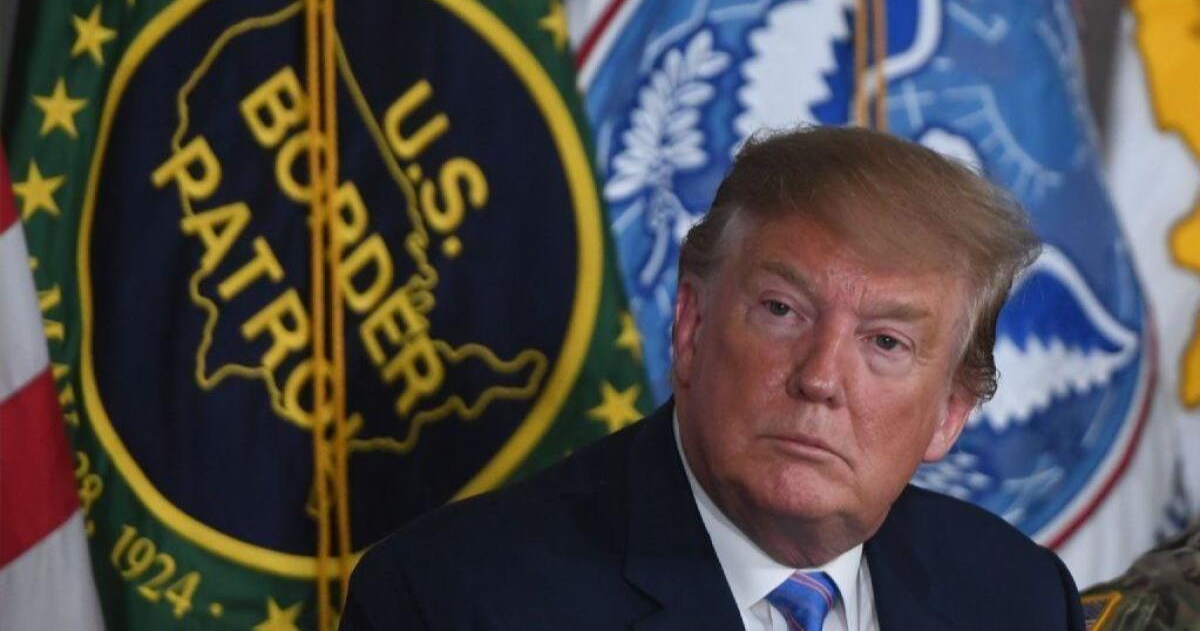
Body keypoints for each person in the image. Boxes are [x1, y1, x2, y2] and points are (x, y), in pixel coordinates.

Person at [340, 126, 1085, 630]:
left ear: (950, 412)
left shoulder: (1018, 600)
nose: (821, 379)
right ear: (691, 325)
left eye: (885, 342)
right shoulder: (454, 601)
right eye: (783, 310)